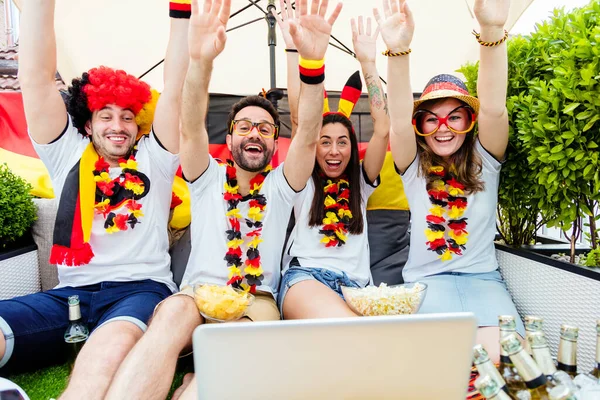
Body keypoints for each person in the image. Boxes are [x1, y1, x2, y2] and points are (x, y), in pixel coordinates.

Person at [104, 0, 342, 398]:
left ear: (274, 142)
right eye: (244, 126)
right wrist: (200, 61)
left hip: (255, 303)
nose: (254, 133)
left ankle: (194, 384)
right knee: (168, 321)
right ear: (228, 138)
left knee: (225, 360)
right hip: (195, 297)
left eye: (265, 129)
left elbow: (308, 133)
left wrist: (312, 64)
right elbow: (191, 122)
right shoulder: (205, 176)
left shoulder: (284, 185)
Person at [0, 0, 189, 398]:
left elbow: (176, 90)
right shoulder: (66, 152)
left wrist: (181, 12)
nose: (118, 125)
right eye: (106, 114)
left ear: (138, 125)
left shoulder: (156, 157)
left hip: (139, 291)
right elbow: (35, 79)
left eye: (127, 116)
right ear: (87, 123)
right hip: (67, 298)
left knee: (102, 358)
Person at [376, 0, 523, 361]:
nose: (443, 128)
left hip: (485, 284)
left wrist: (491, 32)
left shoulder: (485, 161)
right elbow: (396, 121)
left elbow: (493, 107)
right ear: (421, 127)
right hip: (426, 288)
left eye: (454, 116)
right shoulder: (413, 168)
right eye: (431, 118)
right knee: (435, 371)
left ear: (469, 122)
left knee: (510, 369)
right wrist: (397, 53)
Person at [273, 1, 389, 319]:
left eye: (342, 142)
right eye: (324, 142)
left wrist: (368, 63)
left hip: (358, 290)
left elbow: (383, 129)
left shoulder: (362, 184)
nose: (334, 151)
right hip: (306, 280)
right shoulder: (302, 179)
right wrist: (294, 51)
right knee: (349, 333)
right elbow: (300, 119)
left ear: (352, 148)